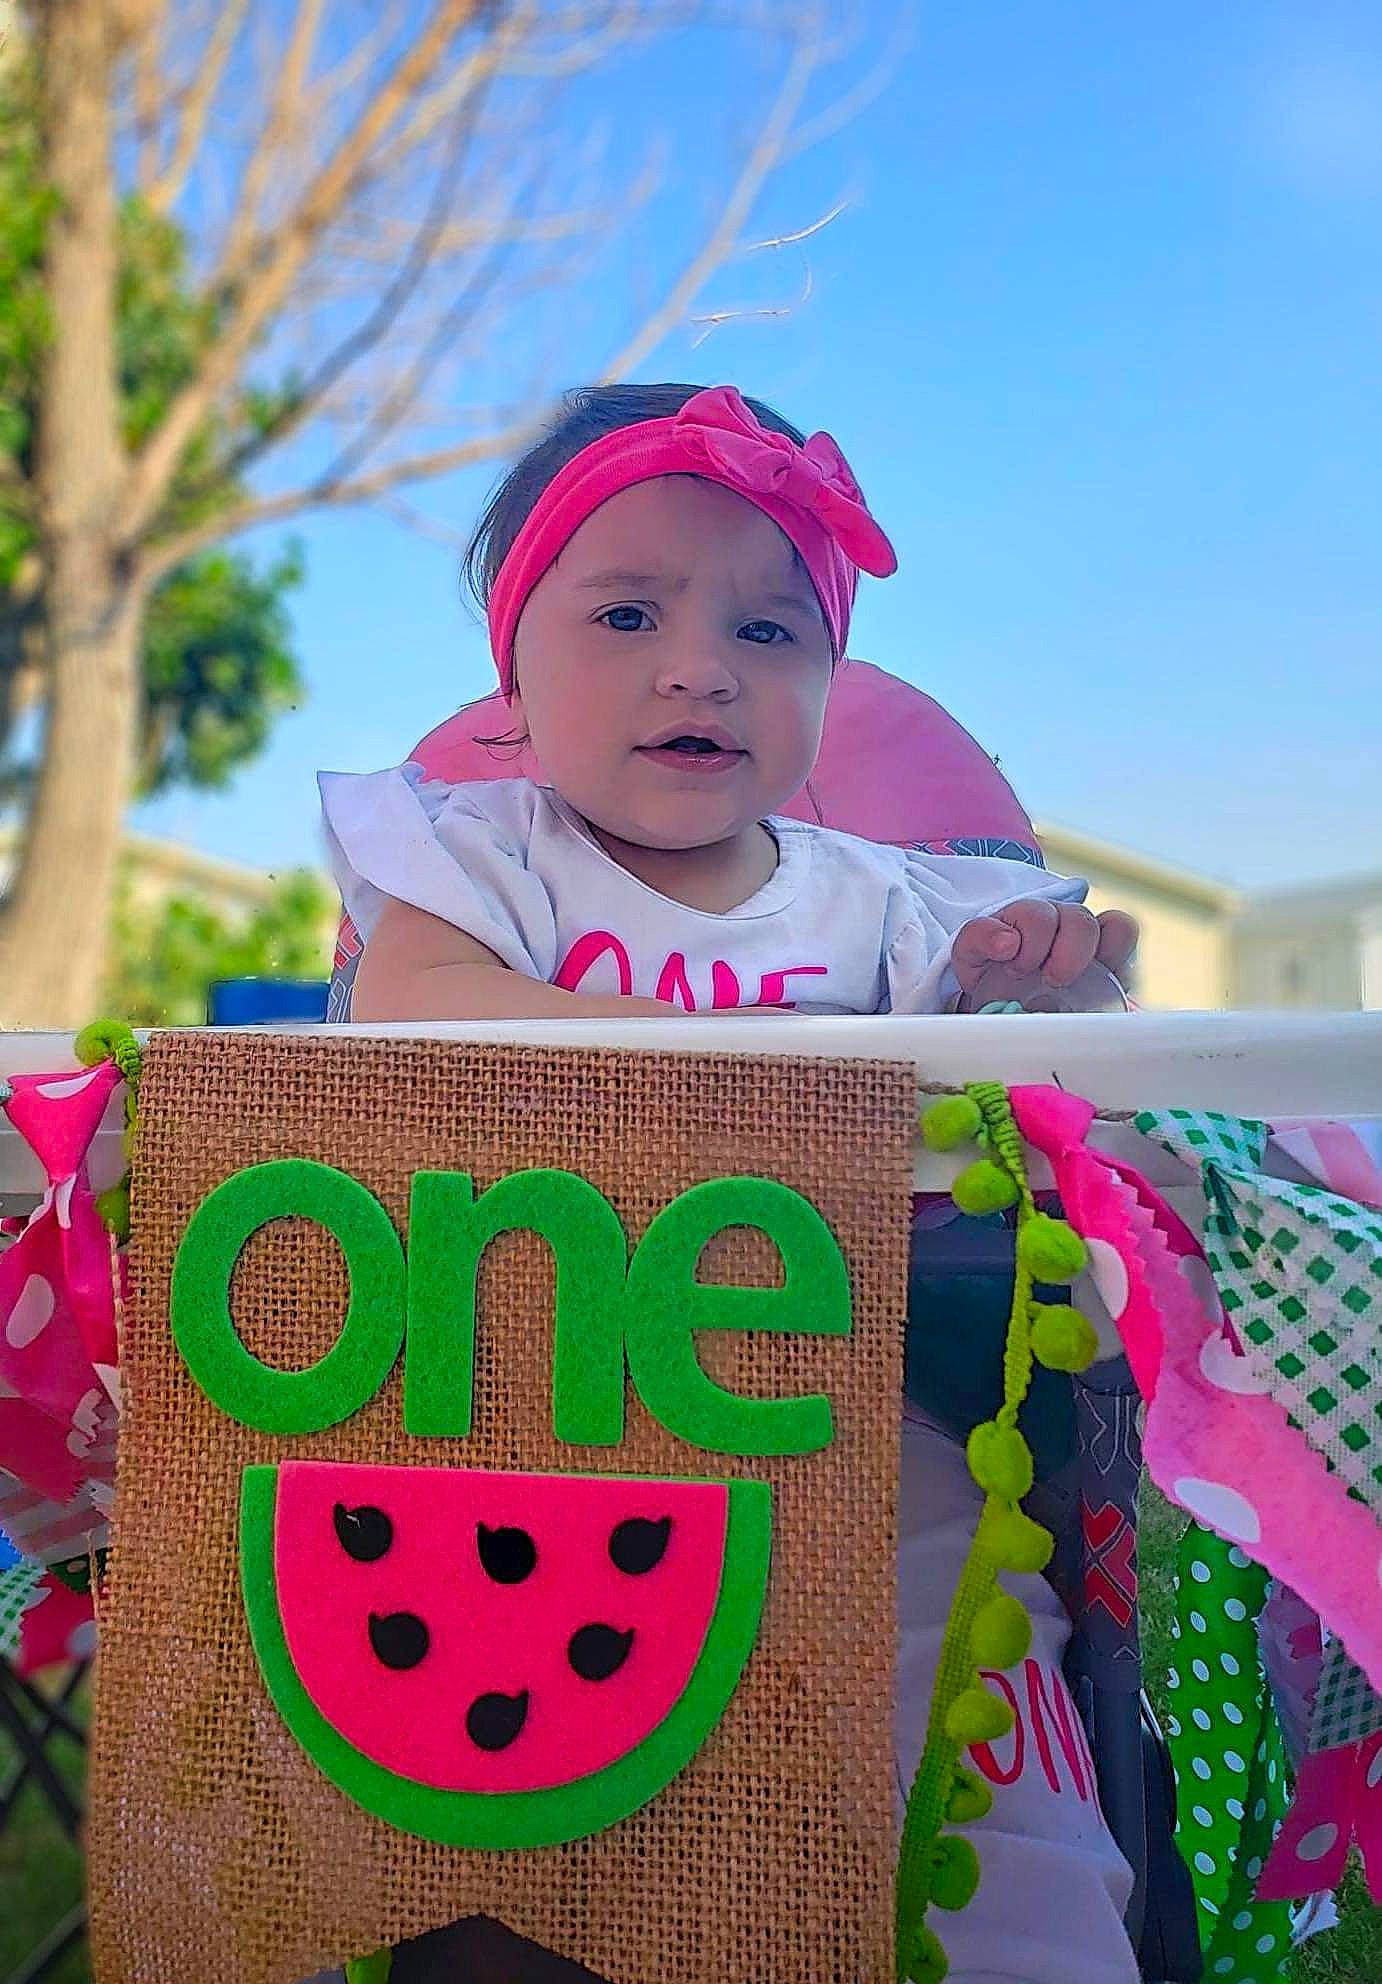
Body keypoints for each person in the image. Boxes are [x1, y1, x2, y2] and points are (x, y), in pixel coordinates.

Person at [319, 382, 1141, 1983]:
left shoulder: (894, 908)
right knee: (521, 1863)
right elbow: (415, 1011)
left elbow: (1065, 1088)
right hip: (522, 1446)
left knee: (991, 1824)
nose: (699, 665)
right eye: (626, 613)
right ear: (514, 668)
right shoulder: (476, 859)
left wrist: (1054, 984)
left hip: (858, 1421)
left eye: (772, 635)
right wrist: (755, 1057)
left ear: (828, 685)